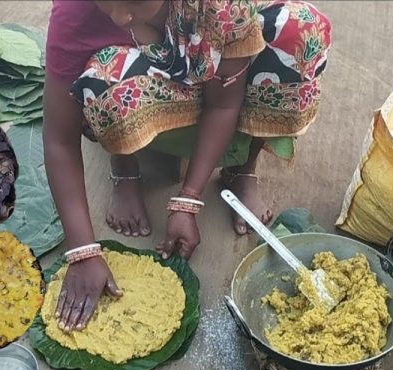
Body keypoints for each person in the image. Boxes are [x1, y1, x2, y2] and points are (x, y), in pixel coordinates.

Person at [44, 0, 332, 330]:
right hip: (153, 77)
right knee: (102, 77)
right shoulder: (75, 11)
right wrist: (82, 250)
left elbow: (224, 105)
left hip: (223, 74)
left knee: (299, 30)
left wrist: (189, 199)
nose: (121, 16)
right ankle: (125, 166)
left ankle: (242, 168)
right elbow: (58, 139)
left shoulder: (225, 6)